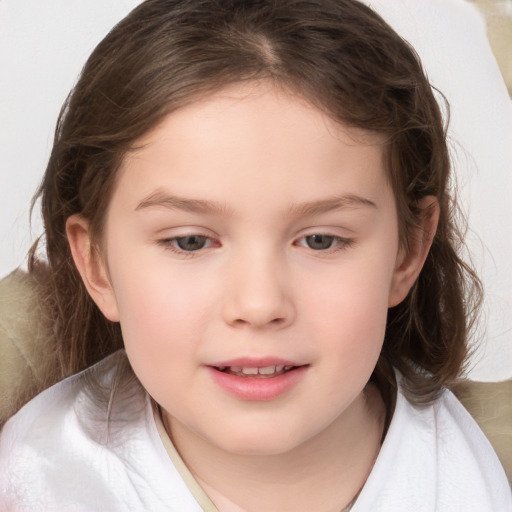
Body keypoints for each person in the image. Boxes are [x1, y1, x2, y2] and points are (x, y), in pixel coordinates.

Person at [0, 0, 510, 510]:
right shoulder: (30, 475)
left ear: (408, 250)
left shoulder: (488, 467)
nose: (260, 303)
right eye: (190, 241)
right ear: (97, 265)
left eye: (321, 240)